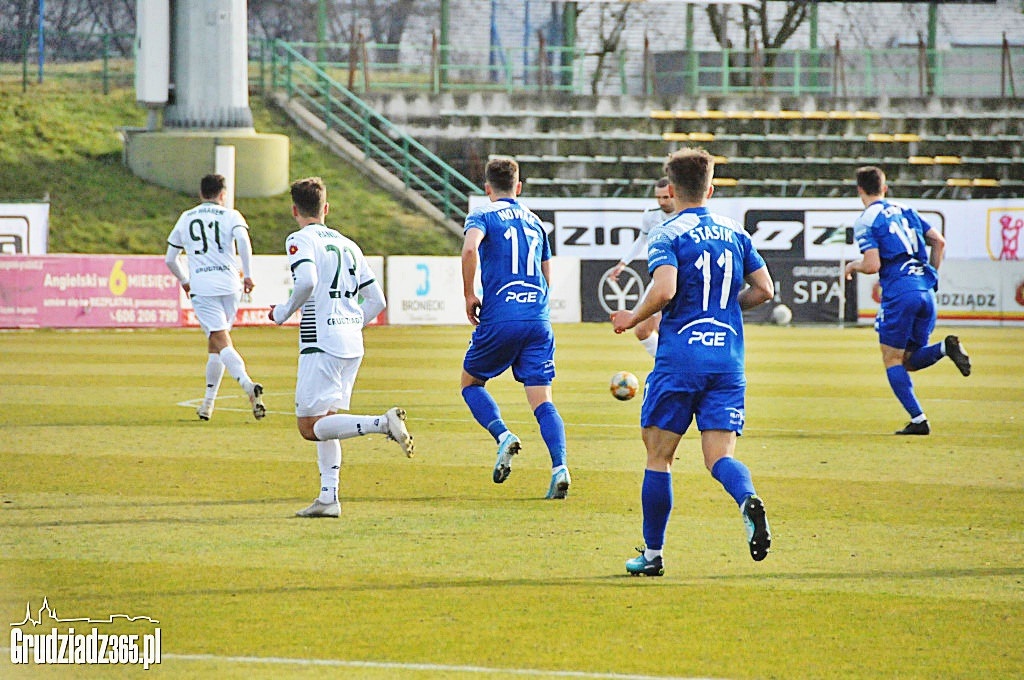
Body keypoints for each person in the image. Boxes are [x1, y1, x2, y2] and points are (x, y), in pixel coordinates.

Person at [610, 148, 774, 575]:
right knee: (719, 458)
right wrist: (725, 309)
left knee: (659, 456)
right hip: (727, 360)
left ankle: (652, 555)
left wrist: (632, 317)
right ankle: (747, 498)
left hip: (681, 358)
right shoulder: (735, 232)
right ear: (710, 187)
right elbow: (765, 290)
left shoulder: (666, 233)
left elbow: (664, 291)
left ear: (672, 188)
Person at [267, 177, 414, 518]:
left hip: (321, 342)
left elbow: (306, 281)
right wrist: (349, 324)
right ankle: (329, 497)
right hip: (351, 343)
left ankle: (382, 423)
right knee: (329, 420)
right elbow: (378, 301)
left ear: (294, 211)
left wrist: (281, 312)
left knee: (308, 427)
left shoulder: (300, 239)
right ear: (326, 209)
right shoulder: (349, 245)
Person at [461, 157, 570, 499]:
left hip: (500, 315)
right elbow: (547, 271)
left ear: (487, 188)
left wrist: (469, 294)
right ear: (518, 187)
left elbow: (469, 248)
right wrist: (536, 304)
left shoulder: (482, 214)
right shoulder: (536, 222)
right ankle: (560, 467)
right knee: (543, 401)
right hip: (538, 317)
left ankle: (503, 435)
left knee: (471, 383)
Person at [844, 166, 971, 435]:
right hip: (925, 289)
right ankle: (945, 349)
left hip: (900, 292)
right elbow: (938, 241)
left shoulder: (866, 219)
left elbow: (872, 264)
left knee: (892, 358)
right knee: (910, 360)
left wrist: (852, 266)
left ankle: (918, 420)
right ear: (885, 187)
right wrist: (933, 274)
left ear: (859, 190)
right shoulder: (906, 210)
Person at [165, 173, 266, 421]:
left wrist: (185, 281)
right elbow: (243, 240)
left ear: (201, 194)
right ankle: (207, 404)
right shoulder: (232, 215)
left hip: (203, 286)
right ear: (223, 194)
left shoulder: (186, 217)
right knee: (216, 343)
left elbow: (170, 258)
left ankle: (247, 384)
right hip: (230, 285)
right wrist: (248, 275)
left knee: (220, 340)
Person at [605, 177, 676, 358]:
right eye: (658, 197)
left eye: (666, 197)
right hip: (660, 276)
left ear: (675, 194)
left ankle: (675, 367)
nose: (662, 202)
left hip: (681, 277)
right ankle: (667, 364)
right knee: (642, 331)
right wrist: (622, 264)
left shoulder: (685, 214)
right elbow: (641, 240)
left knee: (664, 327)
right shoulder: (651, 214)